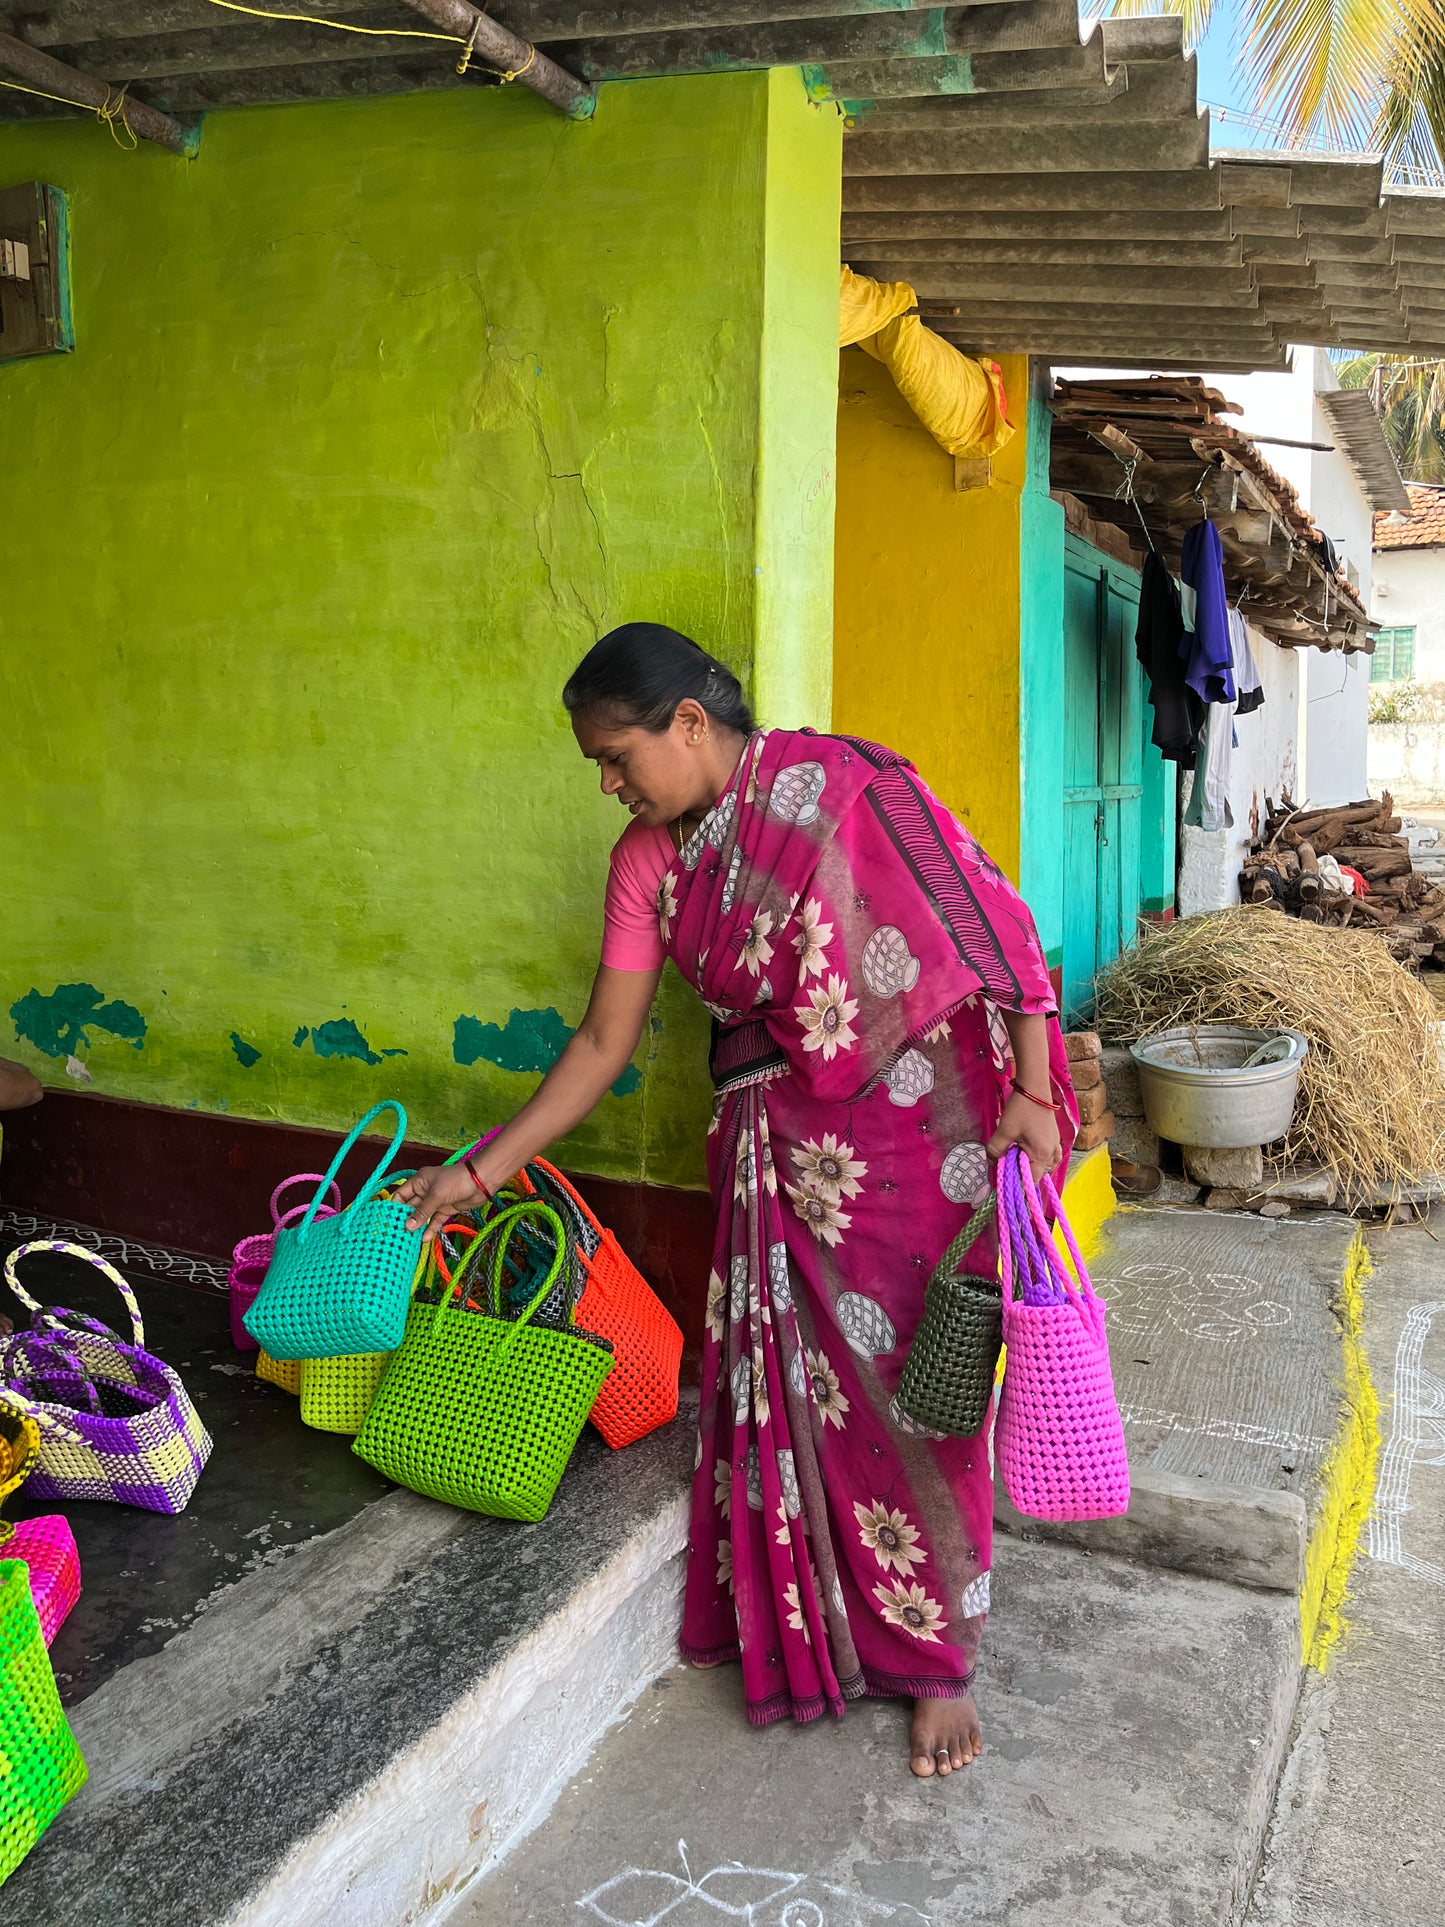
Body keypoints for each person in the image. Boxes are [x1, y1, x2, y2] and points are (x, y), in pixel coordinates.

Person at [399, 623, 1075, 1779]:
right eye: (597, 768)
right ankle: (823, 1616)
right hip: (777, 1153)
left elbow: (987, 919)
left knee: (921, 1385)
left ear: (691, 724)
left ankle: (934, 1656)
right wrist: (478, 1171)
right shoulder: (643, 864)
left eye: (617, 756)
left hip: (920, 1138)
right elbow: (605, 1039)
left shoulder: (843, 784)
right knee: (800, 1397)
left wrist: (1031, 1086)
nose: (610, 784)